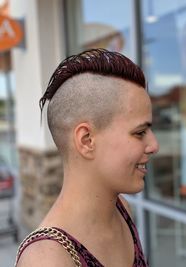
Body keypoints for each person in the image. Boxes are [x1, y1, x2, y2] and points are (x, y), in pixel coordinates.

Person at [15, 48, 159, 267]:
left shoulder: (122, 211)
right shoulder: (47, 259)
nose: (154, 145)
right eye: (139, 132)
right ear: (86, 140)